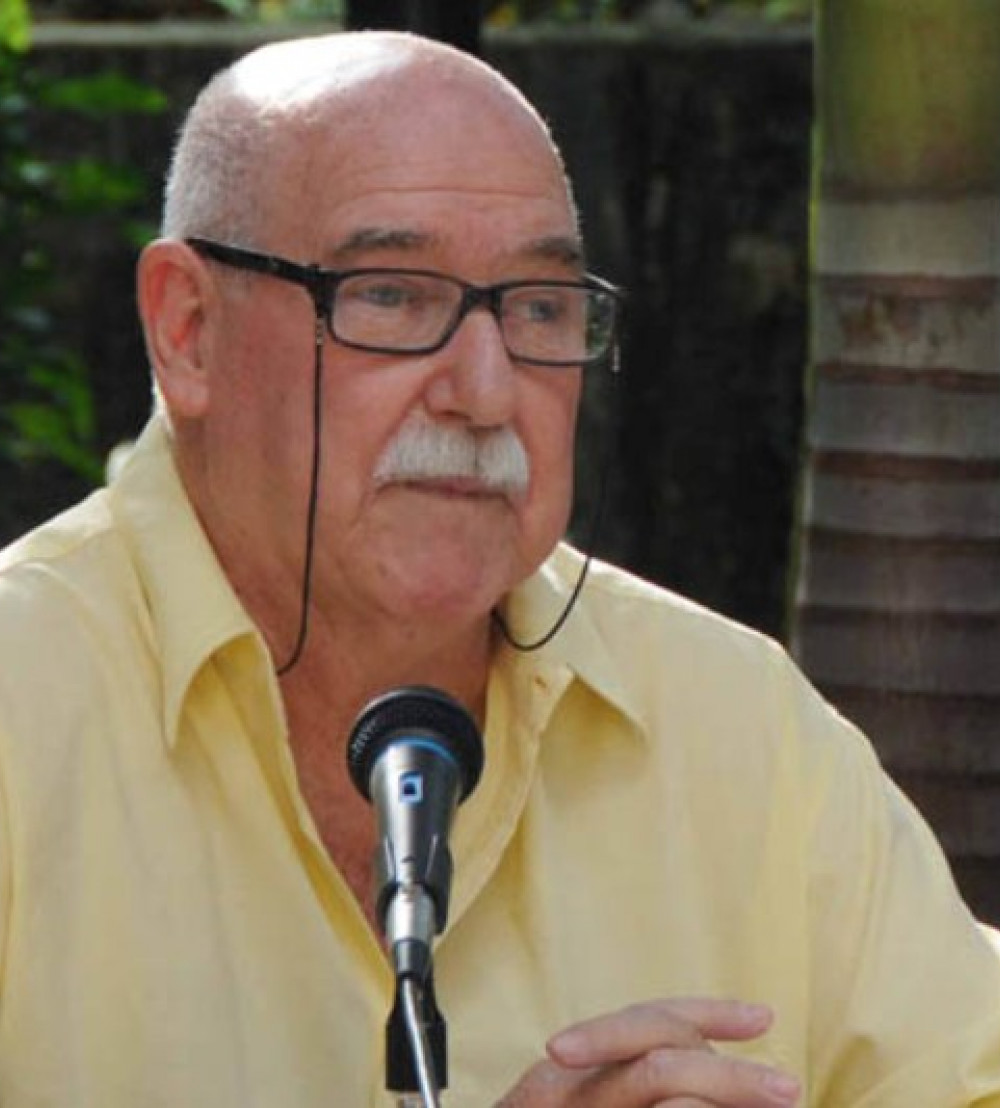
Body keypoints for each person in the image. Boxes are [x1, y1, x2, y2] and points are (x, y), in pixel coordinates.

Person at [0, 29, 997, 1108]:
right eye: (390, 296)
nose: (482, 389)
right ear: (189, 330)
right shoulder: (27, 697)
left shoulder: (738, 727)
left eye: (537, 310)